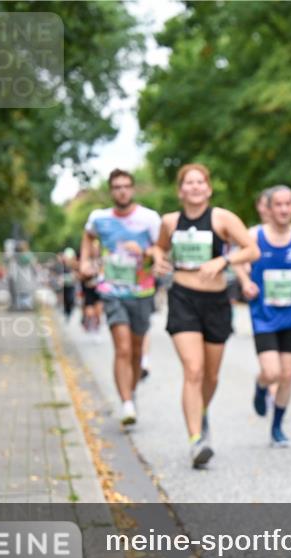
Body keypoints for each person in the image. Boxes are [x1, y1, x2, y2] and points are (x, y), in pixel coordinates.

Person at [157, 163, 258, 468]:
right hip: (183, 297)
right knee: (193, 369)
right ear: (180, 190)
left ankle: (200, 413)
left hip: (215, 301)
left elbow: (252, 250)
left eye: (201, 182)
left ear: (208, 188)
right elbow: (159, 250)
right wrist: (159, 262)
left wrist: (223, 260)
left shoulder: (221, 218)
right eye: (189, 182)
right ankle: (195, 440)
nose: (195, 187)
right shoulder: (169, 221)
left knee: (211, 375)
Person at [80, 169, 165, 426]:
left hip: (141, 291)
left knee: (137, 350)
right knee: (123, 347)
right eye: (117, 187)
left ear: (133, 189)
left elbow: (161, 249)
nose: (122, 191)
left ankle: (132, 390)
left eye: (126, 186)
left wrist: (147, 252)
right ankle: (126, 403)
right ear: (111, 191)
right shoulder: (99, 218)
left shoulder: (149, 218)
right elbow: (88, 236)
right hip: (112, 290)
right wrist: (85, 261)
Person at [242, 185, 291, 447]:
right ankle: (261, 386)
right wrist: (244, 281)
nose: (284, 209)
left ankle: (277, 427)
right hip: (263, 315)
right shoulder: (254, 236)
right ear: (269, 208)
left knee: (287, 374)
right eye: (278, 205)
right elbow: (238, 261)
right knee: (271, 372)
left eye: (288, 204)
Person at [59, 247, 78, 321]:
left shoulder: (74, 265)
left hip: (71, 285)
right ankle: (66, 312)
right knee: (65, 299)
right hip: (64, 286)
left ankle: (69, 311)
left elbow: (77, 274)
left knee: (70, 299)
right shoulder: (63, 265)